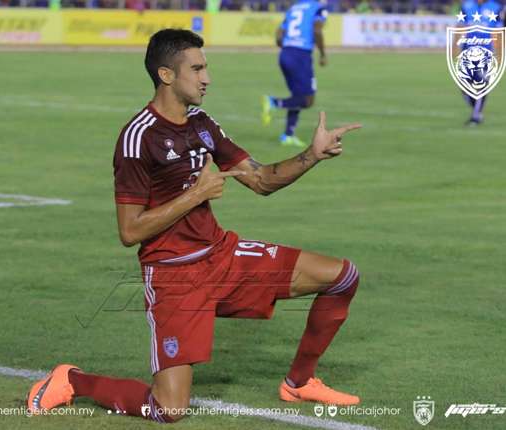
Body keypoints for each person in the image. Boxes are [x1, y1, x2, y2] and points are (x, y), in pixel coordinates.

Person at [27, 29, 362, 423]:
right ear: (167, 75)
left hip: (222, 256)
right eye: (198, 68)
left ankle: (299, 382)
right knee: (168, 409)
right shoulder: (139, 138)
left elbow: (261, 179)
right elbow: (129, 231)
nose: (207, 78)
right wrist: (195, 194)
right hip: (174, 276)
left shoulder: (202, 124)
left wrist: (312, 155)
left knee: (342, 277)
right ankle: (72, 380)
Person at [261, 0, 328, 147]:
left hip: (285, 53)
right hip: (301, 55)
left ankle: (288, 135)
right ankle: (273, 102)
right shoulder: (318, 8)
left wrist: (286, 46)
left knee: (297, 97)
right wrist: (323, 54)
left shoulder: (294, 8)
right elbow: (317, 30)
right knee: (307, 100)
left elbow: (279, 34)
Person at [458, 0, 502, 126]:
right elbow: (460, 26)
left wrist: (498, 52)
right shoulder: (466, 5)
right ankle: (477, 111)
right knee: (464, 86)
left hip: (485, 51)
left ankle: (476, 116)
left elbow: (499, 30)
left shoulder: (496, 7)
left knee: (481, 84)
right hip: (467, 50)